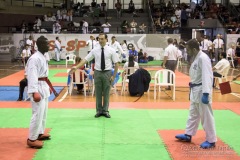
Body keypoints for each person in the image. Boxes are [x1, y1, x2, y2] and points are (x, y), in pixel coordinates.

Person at [175, 39, 217, 149]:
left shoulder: (203, 58)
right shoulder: (196, 57)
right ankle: (188, 134)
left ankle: (211, 140)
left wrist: (206, 93)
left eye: (188, 50)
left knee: (206, 116)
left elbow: (207, 76)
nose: (187, 52)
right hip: (195, 89)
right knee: (193, 113)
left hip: (202, 90)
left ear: (194, 49)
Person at [69, 33, 120, 118]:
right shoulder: (95, 50)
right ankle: (99, 110)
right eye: (99, 39)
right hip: (98, 72)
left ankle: (105, 110)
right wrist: (76, 67)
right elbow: (85, 59)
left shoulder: (111, 50)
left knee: (106, 93)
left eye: (102, 39)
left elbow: (117, 64)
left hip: (107, 72)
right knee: (98, 92)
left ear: (106, 39)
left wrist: (113, 76)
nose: (100, 40)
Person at [26, 36, 52, 149]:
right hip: (37, 87)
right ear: (40, 45)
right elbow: (32, 76)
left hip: (43, 85)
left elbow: (44, 75)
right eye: (47, 44)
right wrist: (34, 91)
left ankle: (39, 133)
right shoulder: (34, 58)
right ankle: (31, 139)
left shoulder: (43, 56)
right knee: (37, 114)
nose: (49, 46)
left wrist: (48, 86)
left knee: (43, 113)